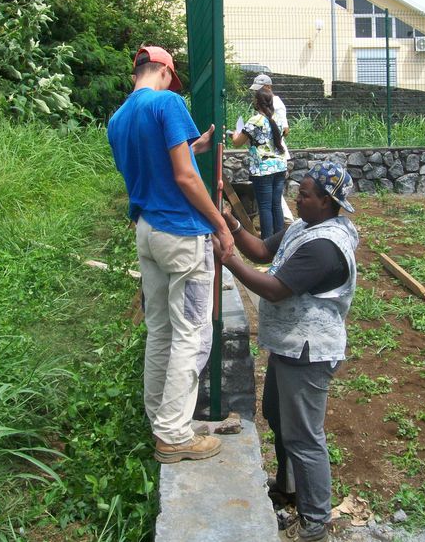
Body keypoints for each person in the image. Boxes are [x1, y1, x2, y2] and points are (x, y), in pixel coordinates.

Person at [216, 161, 358, 542]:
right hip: (290, 345)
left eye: (306, 194)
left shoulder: (326, 246)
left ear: (327, 202)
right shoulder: (303, 227)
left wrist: (229, 259)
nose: (298, 196)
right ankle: (288, 487)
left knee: (305, 437)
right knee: (277, 415)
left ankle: (315, 522)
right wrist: (233, 225)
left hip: (309, 352)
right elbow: (263, 251)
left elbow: (276, 288)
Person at [107, 46, 234, 464]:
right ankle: (175, 434)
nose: (170, 83)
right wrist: (219, 224)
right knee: (192, 333)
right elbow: (182, 177)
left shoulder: (118, 118)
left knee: (160, 330)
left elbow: (154, 166)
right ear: (163, 70)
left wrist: (193, 147)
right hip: (181, 233)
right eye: (170, 76)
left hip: (147, 230)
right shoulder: (168, 102)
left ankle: (161, 418)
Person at [231, 89, 288, 238]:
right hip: (280, 166)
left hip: (263, 169)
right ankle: (279, 239)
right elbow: (284, 132)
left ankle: (267, 241)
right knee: (276, 204)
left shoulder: (255, 120)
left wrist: (234, 134)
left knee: (264, 206)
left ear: (257, 102)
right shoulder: (278, 119)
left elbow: (237, 142)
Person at [249, 73, 289, 140]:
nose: (257, 92)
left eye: (259, 89)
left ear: (269, 87)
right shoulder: (260, 103)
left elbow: (285, 130)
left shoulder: (277, 103)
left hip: (275, 148)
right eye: (255, 90)